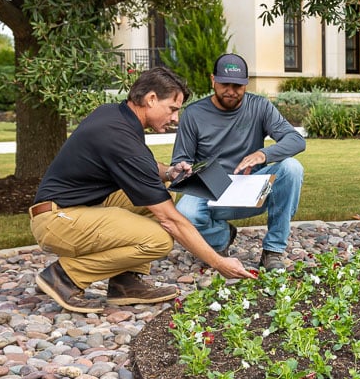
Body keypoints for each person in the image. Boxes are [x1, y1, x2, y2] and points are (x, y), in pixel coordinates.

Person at [29, 66, 255, 314]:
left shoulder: (116, 116)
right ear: (151, 99)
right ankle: (64, 277)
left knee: (163, 192)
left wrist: (169, 172)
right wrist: (218, 262)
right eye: (172, 109)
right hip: (57, 220)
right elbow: (171, 220)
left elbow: (147, 167)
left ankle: (126, 283)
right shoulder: (119, 136)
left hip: (77, 208)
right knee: (159, 238)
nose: (175, 119)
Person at [171, 53, 306, 270]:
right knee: (185, 212)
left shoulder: (260, 106)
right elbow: (180, 160)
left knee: (292, 167)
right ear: (212, 79)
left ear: (246, 83)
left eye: (238, 85)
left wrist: (264, 154)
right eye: (225, 84)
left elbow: (296, 140)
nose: (231, 91)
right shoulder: (193, 114)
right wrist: (184, 169)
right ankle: (221, 237)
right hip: (210, 189)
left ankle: (273, 250)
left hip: (252, 188)